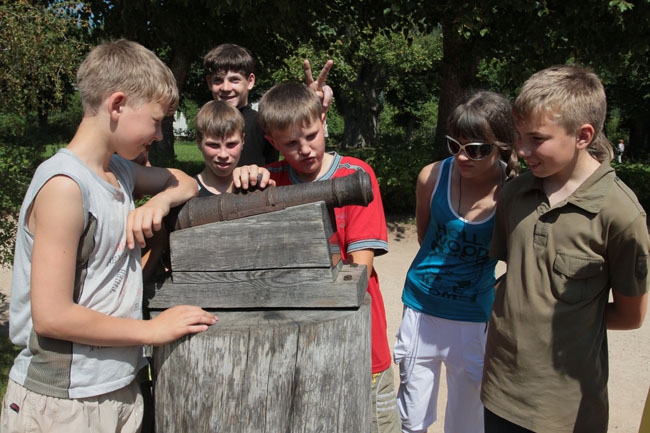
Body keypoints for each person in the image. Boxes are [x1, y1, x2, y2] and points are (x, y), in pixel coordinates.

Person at [0, 39, 217, 433]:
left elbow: (184, 181)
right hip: (65, 401)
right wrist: (152, 331)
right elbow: (51, 317)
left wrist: (160, 201)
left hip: (116, 387)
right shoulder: (66, 186)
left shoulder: (120, 171)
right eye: (156, 120)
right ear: (117, 105)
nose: (159, 134)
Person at [481, 64, 649, 433]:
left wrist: (572, 320)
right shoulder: (514, 194)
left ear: (583, 135)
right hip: (500, 390)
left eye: (537, 138)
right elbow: (517, 279)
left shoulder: (621, 215)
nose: (521, 149)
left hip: (566, 410)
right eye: (518, 135)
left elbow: (631, 315)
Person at [234, 82, 401, 433]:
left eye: (311, 135)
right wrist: (238, 183)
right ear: (271, 141)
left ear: (324, 120)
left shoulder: (355, 175)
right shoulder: (269, 182)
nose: (305, 149)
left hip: (360, 344)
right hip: (295, 349)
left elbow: (358, 270)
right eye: (291, 144)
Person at [393, 91, 519, 433]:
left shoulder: (513, 191)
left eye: (475, 149)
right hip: (421, 309)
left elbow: (516, 258)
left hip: (473, 318)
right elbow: (426, 237)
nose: (462, 156)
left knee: (468, 421)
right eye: (454, 145)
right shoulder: (432, 177)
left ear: (501, 146)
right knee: (412, 419)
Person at [203, 43, 279, 167]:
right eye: (218, 80)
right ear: (209, 82)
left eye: (234, 80)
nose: (226, 88)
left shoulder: (263, 124)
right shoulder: (207, 122)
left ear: (250, 81)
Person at [194, 99, 272, 196]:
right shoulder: (189, 191)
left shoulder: (254, 185)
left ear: (242, 140)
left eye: (231, 144)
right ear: (199, 142)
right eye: (213, 145)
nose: (223, 155)